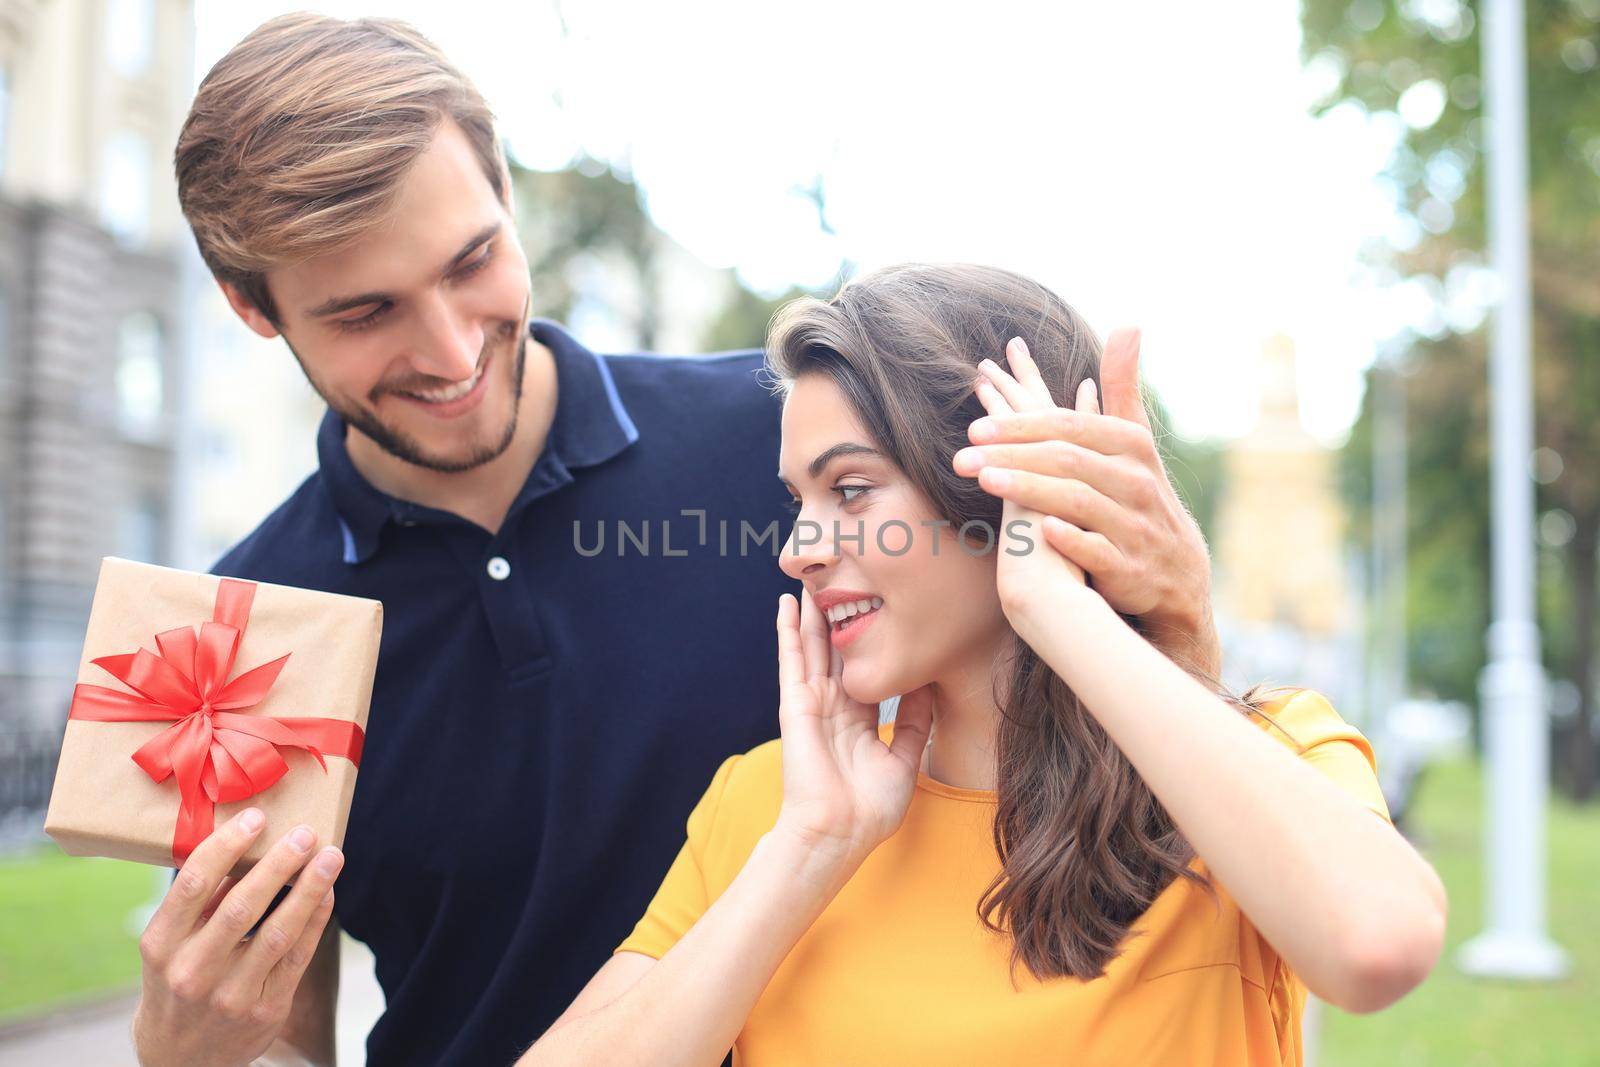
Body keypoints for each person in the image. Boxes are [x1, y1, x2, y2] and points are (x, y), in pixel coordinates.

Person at [132, 17, 1219, 1067]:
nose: (452, 348)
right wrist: (191, 1054)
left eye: (471, 263)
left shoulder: (787, 448)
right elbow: (280, 1016)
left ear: (506, 192)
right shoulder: (239, 642)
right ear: (250, 306)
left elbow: (1056, 730)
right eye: (365, 314)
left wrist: (1175, 612)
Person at [522, 264, 1447, 1067]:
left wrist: (1058, 609)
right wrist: (809, 852)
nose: (799, 547)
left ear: (1005, 493)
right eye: (798, 498)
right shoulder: (772, 811)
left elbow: (1378, 947)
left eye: (849, 489)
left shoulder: (1253, 763)